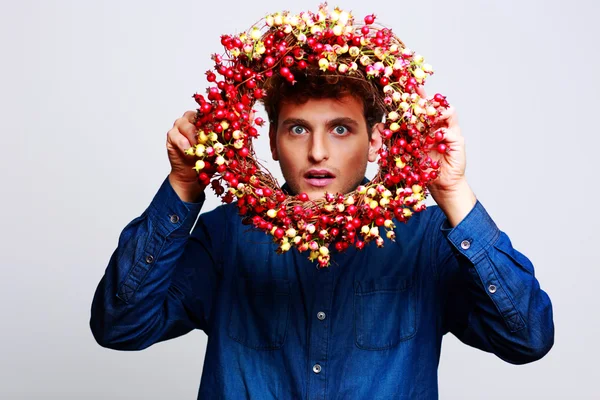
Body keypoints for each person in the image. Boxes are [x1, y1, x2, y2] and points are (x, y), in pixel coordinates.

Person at [90, 69, 554, 399]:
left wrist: (452, 193)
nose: (317, 152)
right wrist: (183, 186)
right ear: (270, 141)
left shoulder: (427, 237)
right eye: (297, 129)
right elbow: (120, 326)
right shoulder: (227, 235)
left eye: (340, 129)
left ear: (375, 143)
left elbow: (527, 337)